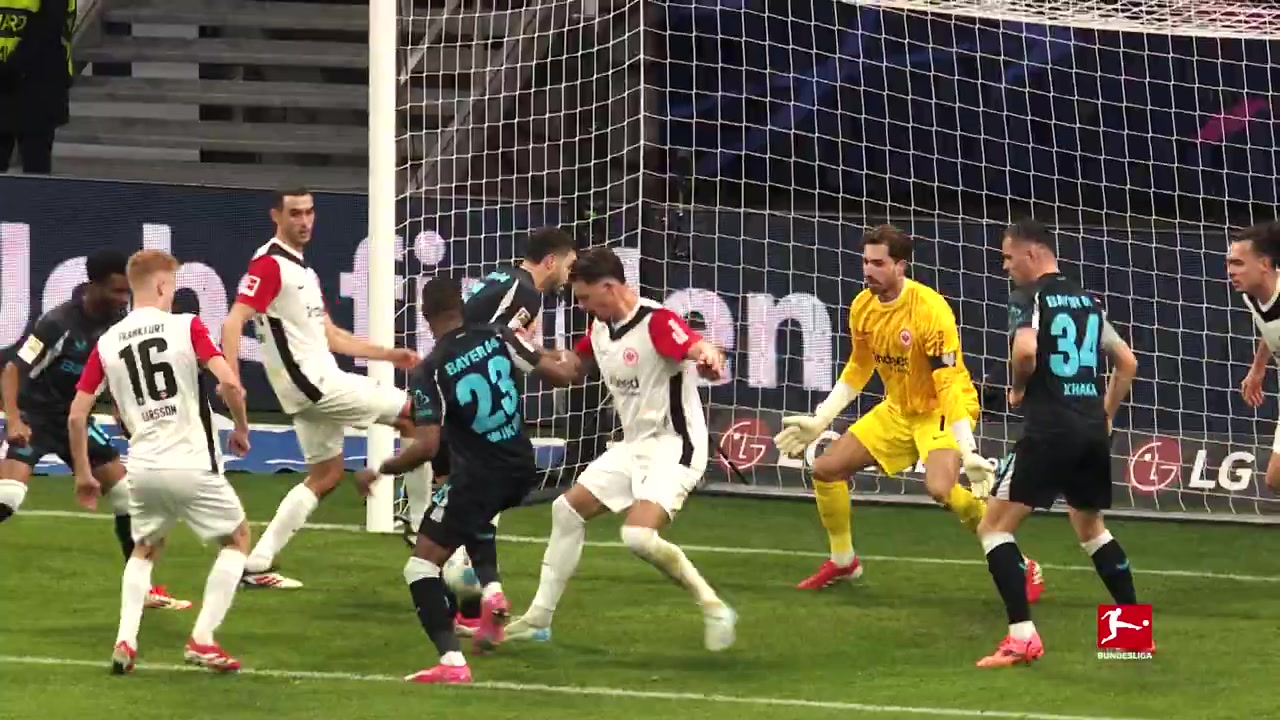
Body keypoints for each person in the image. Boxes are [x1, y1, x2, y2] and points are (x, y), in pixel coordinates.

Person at [771, 224, 1046, 600]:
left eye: (878, 263)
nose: (868, 270)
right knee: (825, 469)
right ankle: (843, 560)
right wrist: (821, 419)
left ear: (900, 266)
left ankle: (1020, 563)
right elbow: (859, 367)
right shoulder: (862, 307)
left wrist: (968, 451)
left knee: (941, 489)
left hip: (942, 408)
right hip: (898, 409)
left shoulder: (930, 309)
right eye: (865, 262)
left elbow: (947, 384)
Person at [504, 247, 738, 652]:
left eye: (585, 297)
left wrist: (709, 357)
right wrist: (524, 349)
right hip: (633, 445)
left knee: (637, 537)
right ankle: (538, 619)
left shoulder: (656, 322)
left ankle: (713, 606)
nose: (581, 305)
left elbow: (695, 346)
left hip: (674, 446)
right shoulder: (600, 327)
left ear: (609, 287)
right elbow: (570, 368)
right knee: (566, 510)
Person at [353, 276, 579, 684]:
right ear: (462, 305)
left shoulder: (430, 369)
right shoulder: (498, 334)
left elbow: (426, 446)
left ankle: (452, 662)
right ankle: (491, 592)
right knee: (471, 514)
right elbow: (560, 375)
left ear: (424, 315)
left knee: (421, 566)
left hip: (480, 477)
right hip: (522, 466)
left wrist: (380, 469)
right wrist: (572, 356)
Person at [67, 250, 255, 674]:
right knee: (237, 539)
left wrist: (83, 473)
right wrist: (241, 428)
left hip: (142, 468)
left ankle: (125, 639)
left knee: (145, 548)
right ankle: (202, 638)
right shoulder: (187, 326)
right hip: (191, 463)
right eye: (172, 284)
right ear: (161, 285)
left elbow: (77, 415)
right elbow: (229, 383)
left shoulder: (107, 343)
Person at [221, 188, 419, 589]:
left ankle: (257, 564)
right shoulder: (270, 264)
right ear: (276, 215)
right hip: (315, 384)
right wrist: (231, 378)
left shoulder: (304, 272)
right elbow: (232, 321)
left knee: (326, 475)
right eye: (295, 213)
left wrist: (387, 354)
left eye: (309, 212)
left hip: (308, 389)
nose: (304, 221)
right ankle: (419, 522)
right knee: (418, 415)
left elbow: (331, 336)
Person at [975, 219, 1142, 667]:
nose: (1006, 267)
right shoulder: (1087, 301)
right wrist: (1105, 414)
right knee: (1091, 528)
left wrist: (1016, 390)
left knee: (993, 527)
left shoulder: (1029, 297)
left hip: (1050, 429)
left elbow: (1025, 352)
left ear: (1031, 254)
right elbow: (1127, 362)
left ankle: (1022, 637)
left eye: (1008, 257)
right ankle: (1132, 634)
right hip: (1089, 428)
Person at [0, 248, 189, 610]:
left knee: (127, 498)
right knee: (7, 498)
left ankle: (143, 589)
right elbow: (12, 370)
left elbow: (116, 372)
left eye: (126, 291)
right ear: (93, 285)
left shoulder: (120, 322)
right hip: (34, 418)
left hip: (75, 421)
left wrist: (123, 412)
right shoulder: (57, 323)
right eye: (116, 290)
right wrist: (13, 419)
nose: (122, 298)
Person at [401, 225, 577, 539]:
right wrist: (553, 362)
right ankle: (449, 542)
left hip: (452, 372)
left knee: (456, 473)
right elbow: (503, 342)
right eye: (568, 265)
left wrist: (545, 353)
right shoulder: (526, 293)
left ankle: (427, 527)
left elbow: (501, 336)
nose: (568, 275)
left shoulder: (504, 276)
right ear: (551, 261)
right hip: (470, 384)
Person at [1229, 221, 1280, 493]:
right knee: (1275, 480)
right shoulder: (1251, 296)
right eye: (1229, 263)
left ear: (1264, 264)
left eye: (1238, 263)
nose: (1231, 271)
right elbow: (1269, 327)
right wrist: (1257, 369)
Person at [0, 0, 74, 173]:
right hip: (7, 85)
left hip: (39, 85)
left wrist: (10, 67)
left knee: (35, 165)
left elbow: (47, 32)